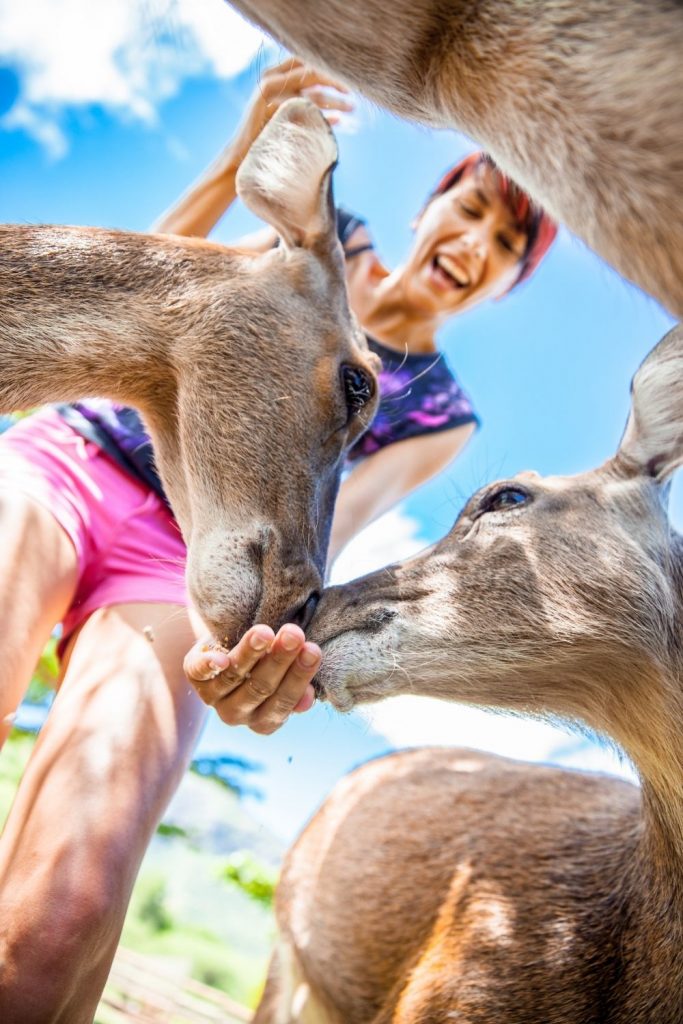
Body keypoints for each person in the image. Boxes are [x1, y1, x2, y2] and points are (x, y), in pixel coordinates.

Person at [0, 59, 556, 1019]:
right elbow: (137, 291)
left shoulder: (444, 411)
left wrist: (276, 642)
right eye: (470, 209)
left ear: (502, 283)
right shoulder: (323, 240)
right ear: (433, 207)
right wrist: (231, 160)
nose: (474, 241)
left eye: (505, 244)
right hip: (76, 452)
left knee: (68, 912)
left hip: (176, 559)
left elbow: (328, 525)